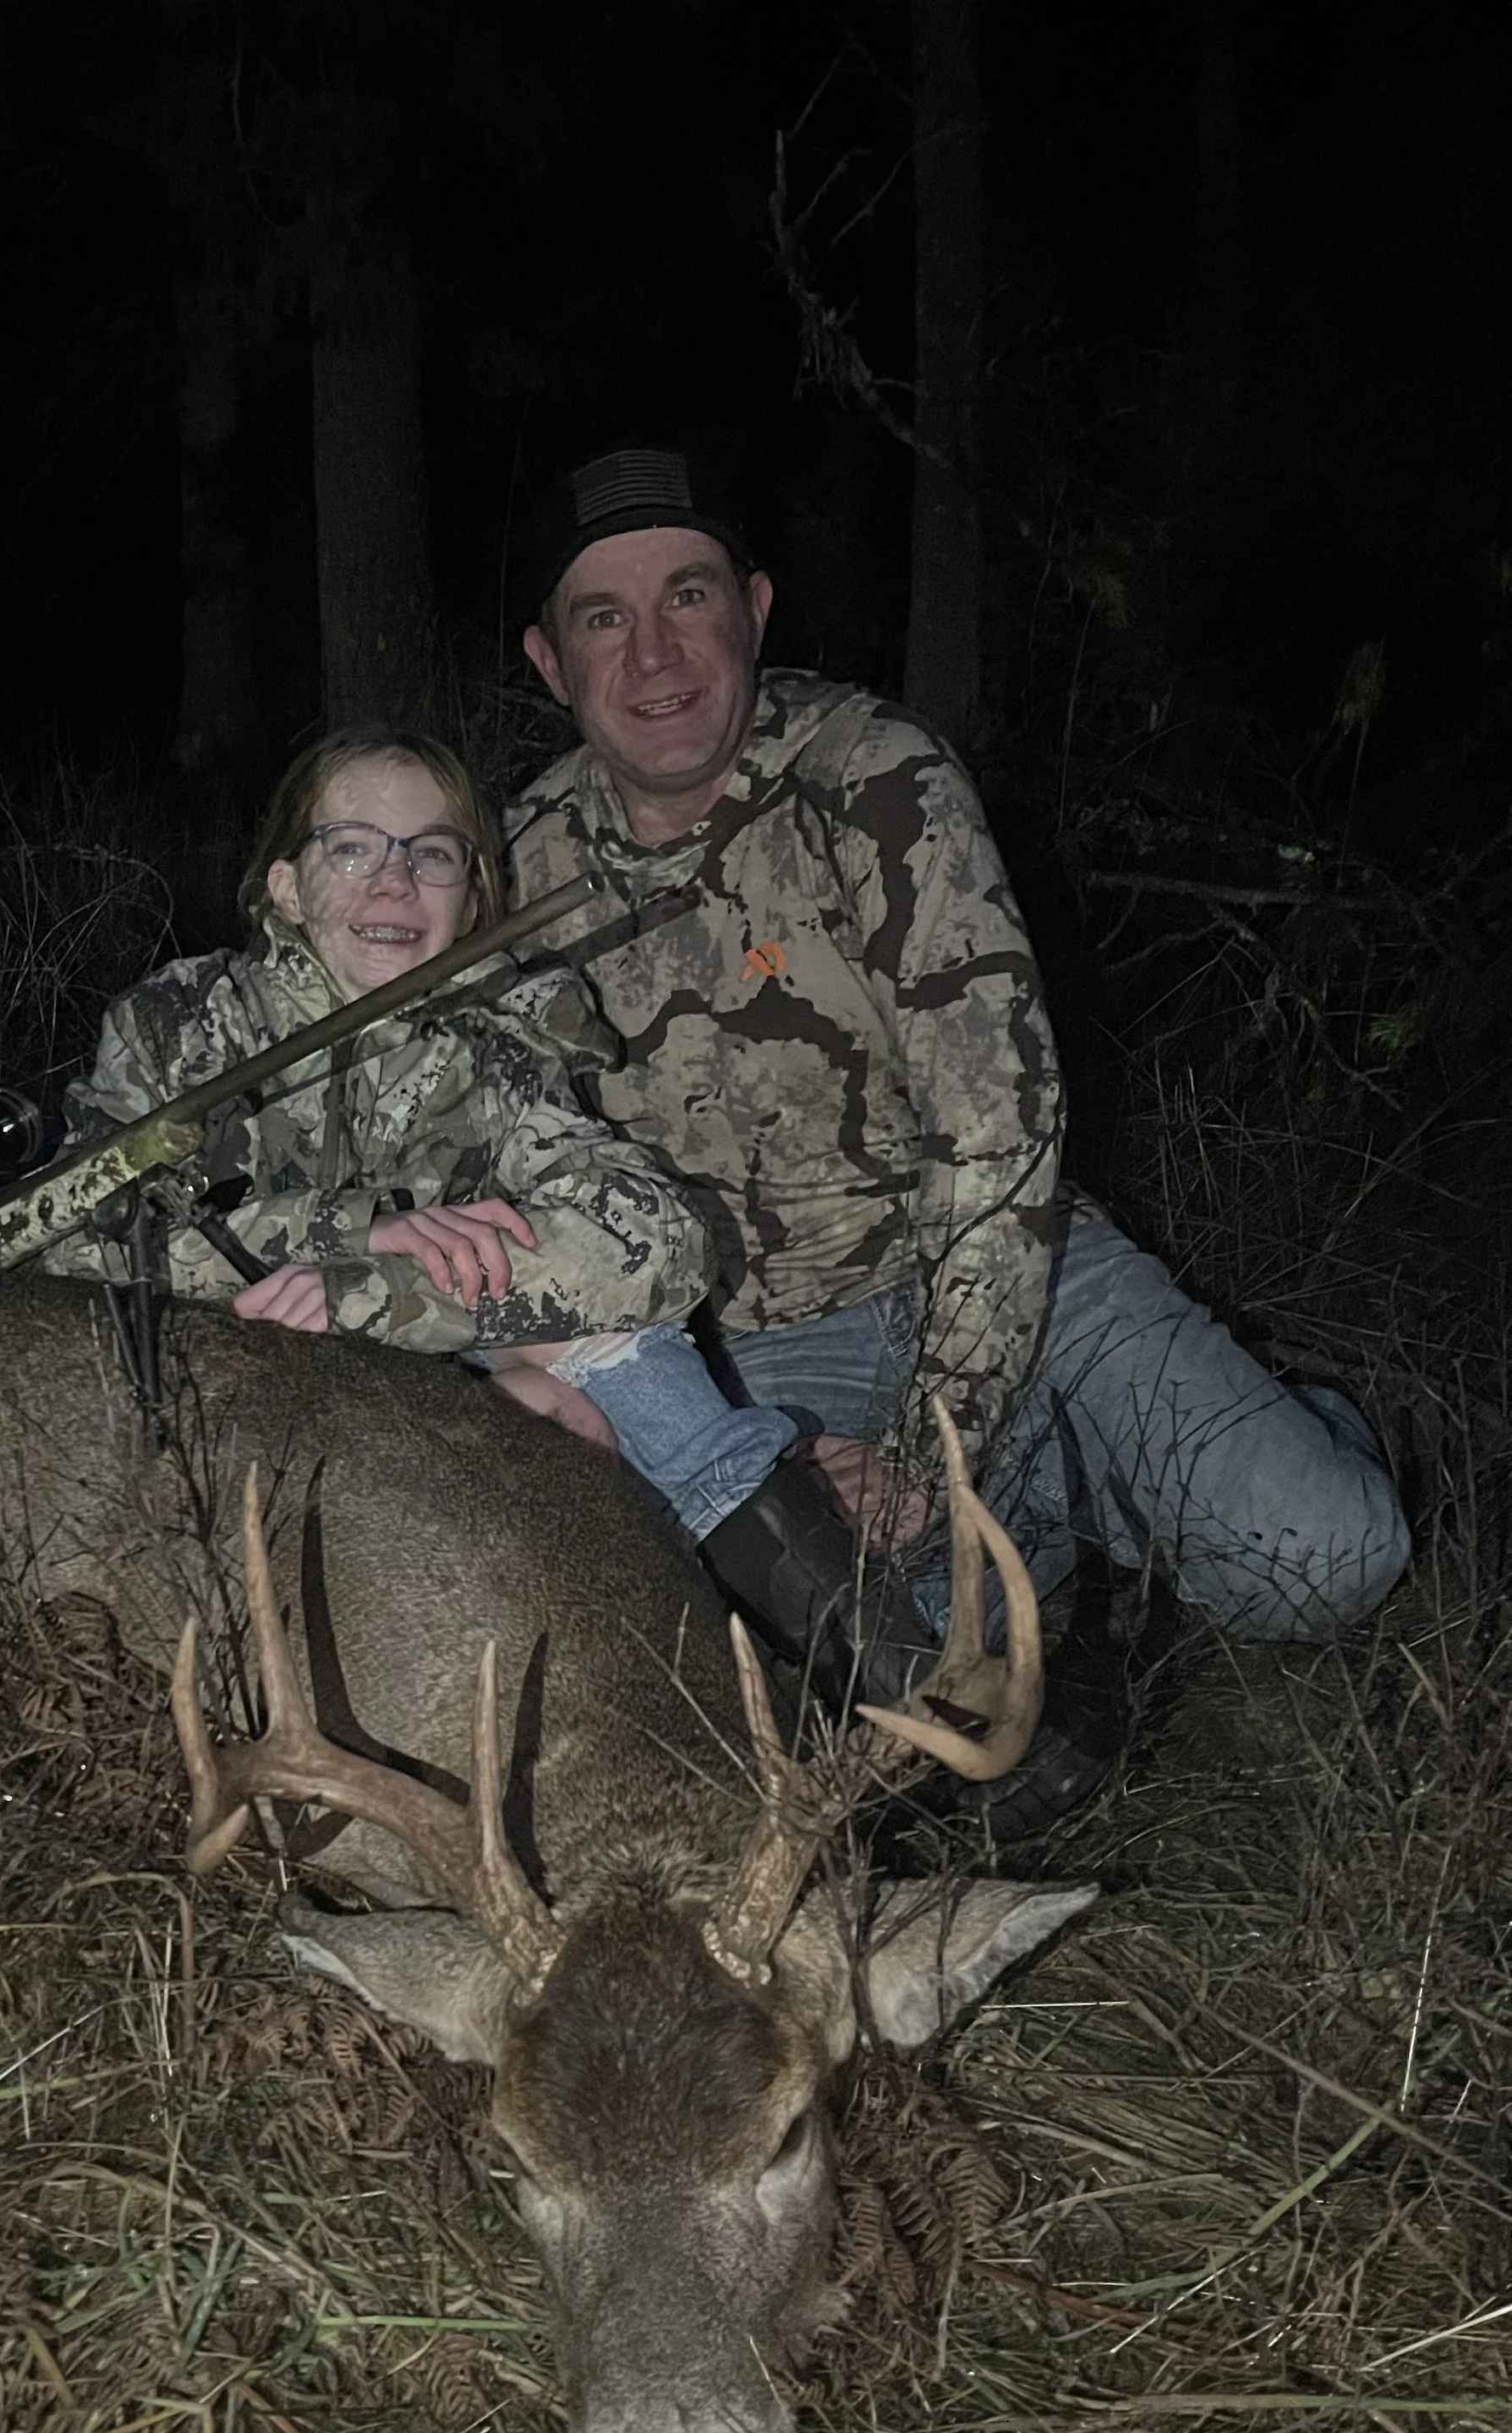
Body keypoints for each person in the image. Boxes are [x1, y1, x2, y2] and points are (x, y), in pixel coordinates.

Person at [500, 442, 1411, 1824]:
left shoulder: (873, 775)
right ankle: (1042, 1526)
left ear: (753, 605)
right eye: (603, 617)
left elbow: (1001, 1144)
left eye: (688, 596)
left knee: (1330, 1554)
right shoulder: (508, 871)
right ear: (549, 662)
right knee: (897, 1729)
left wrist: (933, 1450)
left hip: (1009, 1267)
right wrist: (744, 1452)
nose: (657, 653)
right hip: (757, 1362)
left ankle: (1253, 1436)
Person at [51, 725, 708, 1436]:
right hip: (211, 1381)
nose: (395, 882)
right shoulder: (180, 1024)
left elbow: (659, 1237)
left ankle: (761, 1529)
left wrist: (369, 1294)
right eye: (353, 849)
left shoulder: (498, 1042)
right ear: (289, 889)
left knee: (614, 1368)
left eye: (431, 854)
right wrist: (356, 1230)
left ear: (471, 899)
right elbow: (73, 1244)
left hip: (410, 1386)